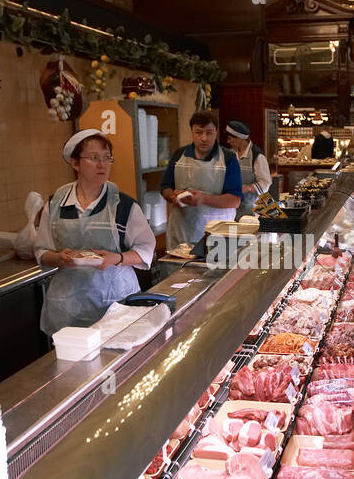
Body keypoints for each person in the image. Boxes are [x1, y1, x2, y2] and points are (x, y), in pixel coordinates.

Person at [35, 128, 155, 336]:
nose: (102, 165)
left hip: (116, 304)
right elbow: (42, 250)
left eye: (107, 158)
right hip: (69, 307)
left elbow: (146, 249)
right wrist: (60, 258)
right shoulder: (55, 203)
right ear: (75, 164)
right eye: (93, 158)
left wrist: (116, 259)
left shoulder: (123, 205)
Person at [160, 109, 242, 248]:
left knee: (216, 269)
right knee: (180, 270)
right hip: (181, 234)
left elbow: (235, 200)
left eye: (209, 133)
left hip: (217, 236)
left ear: (216, 132)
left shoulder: (228, 158)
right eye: (199, 132)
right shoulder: (179, 154)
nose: (204, 138)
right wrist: (173, 196)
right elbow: (165, 187)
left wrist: (203, 199)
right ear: (191, 132)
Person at [224, 119, 272, 218]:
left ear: (239, 138)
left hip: (255, 209)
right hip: (236, 207)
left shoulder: (257, 156)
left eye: (230, 138)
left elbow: (266, 183)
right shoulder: (231, 154)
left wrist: (248, 188)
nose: (228, 141)